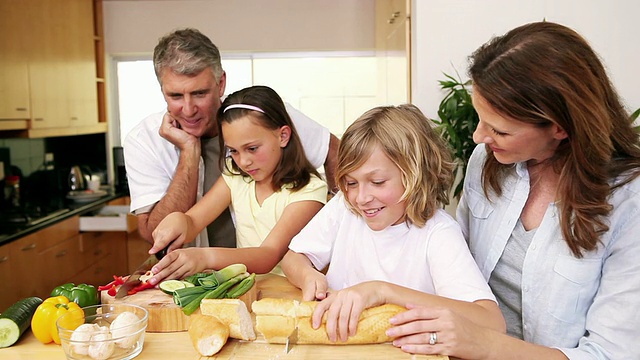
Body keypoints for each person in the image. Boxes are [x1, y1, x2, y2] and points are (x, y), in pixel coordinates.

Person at [387, 22, 640, 359]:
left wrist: (481, 343)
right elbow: (455, 268)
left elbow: (610, 354)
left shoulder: (628, 202)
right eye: (480, 119)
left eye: (500, 131)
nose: (479, 137)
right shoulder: (488, 161)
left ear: (560, 127)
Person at [281, 104, 505, 343]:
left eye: (377, 182)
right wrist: (307, 275)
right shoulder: (344, 207)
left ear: (416, 174)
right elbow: (292, 258)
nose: (361, 198)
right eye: (351, 182)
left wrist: (382, 292)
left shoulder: (438, 233)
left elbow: (491, 322)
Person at [123, 28, 339, 250]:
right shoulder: (142, 140)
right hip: (198, 275)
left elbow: (332, 151)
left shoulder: (260, 115)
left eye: (200, 93)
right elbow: (155, 233)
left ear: (221, 83)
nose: (188, 110)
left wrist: (337, 217)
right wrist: (189, 152)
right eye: (175, 96)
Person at [146, 85, 328, 284]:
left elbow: (268, 255)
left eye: (252, 148)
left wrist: (205, 257)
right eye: (233, 151)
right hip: (248, 292)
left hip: (288, 296)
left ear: (283, 136)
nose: (243, 161)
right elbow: (193, 221)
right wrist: (178, 219)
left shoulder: (310, 191)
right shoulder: (236, 177)